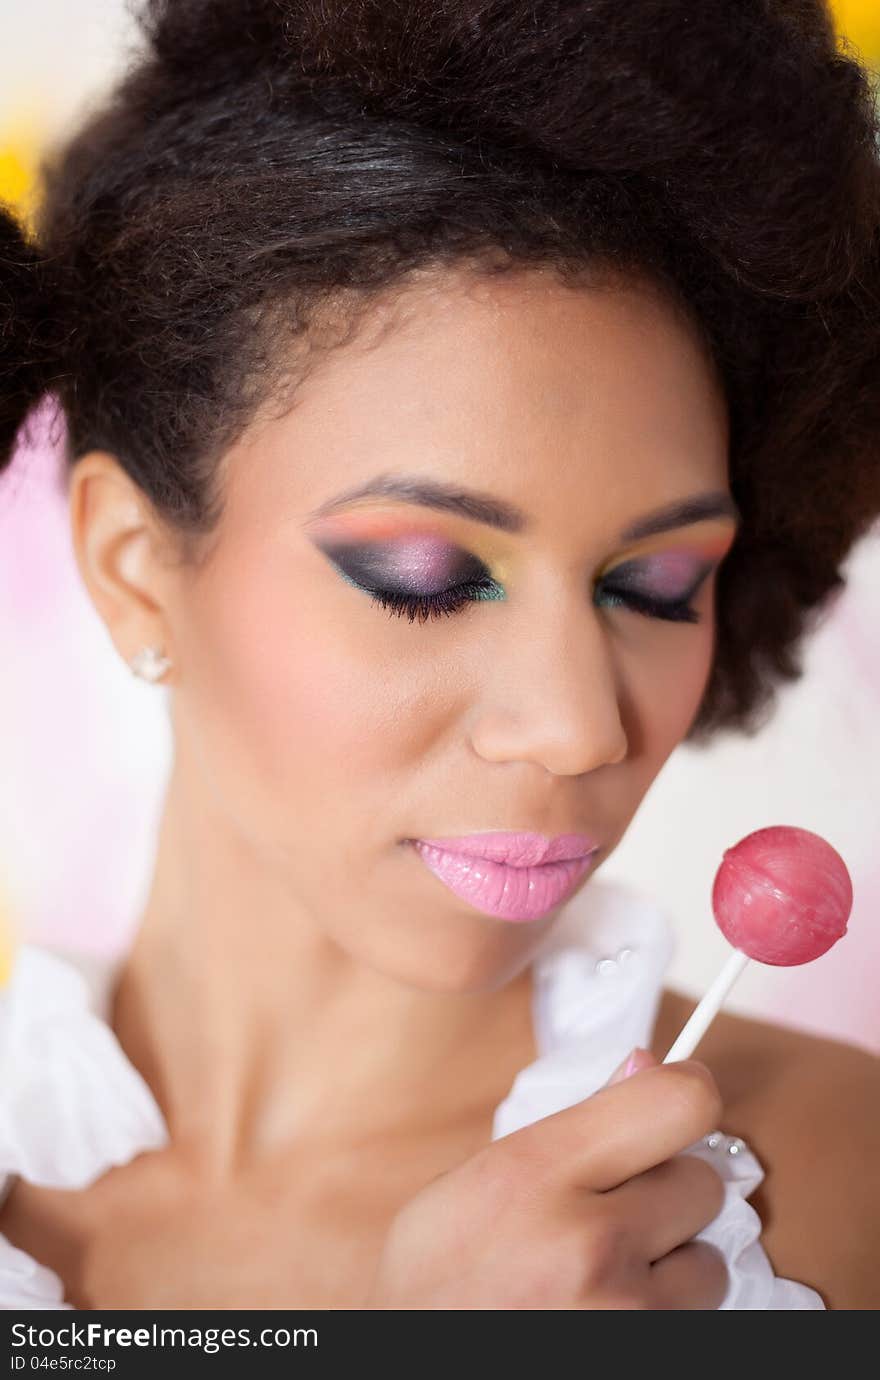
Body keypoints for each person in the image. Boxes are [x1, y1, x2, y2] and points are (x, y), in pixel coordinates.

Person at [1, 0, 879, 1311]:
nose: (582, 725)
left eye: (657, 583)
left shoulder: (824, 1188)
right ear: (139, 569)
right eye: (427, 579)